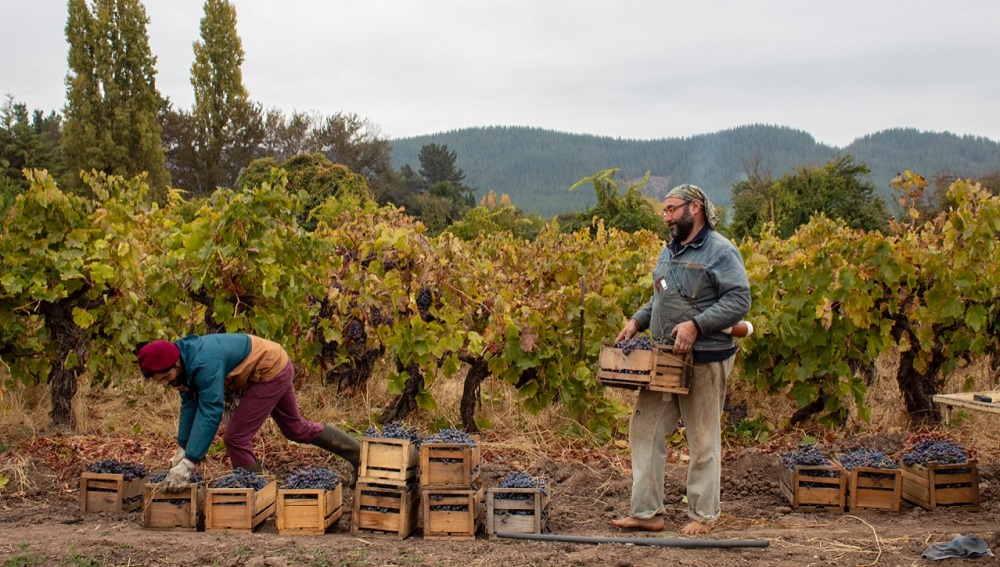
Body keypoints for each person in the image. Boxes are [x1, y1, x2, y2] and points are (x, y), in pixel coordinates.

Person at [611, 184, 751, 535]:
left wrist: (696, 325)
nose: (667, 217)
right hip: (664, 358)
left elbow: (739, 301)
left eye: (672, 209)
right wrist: (636, 321)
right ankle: (647, 513)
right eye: (664, 211)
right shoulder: (668, 253)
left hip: (705, 358)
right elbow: (660, 296)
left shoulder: (721, 252)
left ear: (695, 208)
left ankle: (703, 515)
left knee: (703, 438)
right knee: (645, 429)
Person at [136, 333, 360, 491]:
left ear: (175, 363)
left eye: (166, 378)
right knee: (295, 429)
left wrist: (189, 462)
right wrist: (182, 447)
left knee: (235, 438)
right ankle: (359, 455)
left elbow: (211, 410)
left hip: (270, 369)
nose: (166, 383)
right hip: (273, 361)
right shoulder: (184, 363)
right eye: (160, 381)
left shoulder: (204, 363)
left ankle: (255, 492)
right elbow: (189, 403)